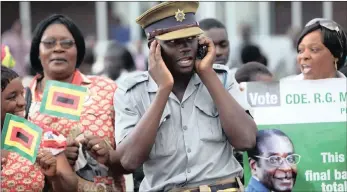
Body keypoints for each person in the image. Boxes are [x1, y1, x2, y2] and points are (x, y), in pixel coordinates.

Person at [89, 2, 256, 191]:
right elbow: (129, 161)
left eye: (190, 39)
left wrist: (207, 74)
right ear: (154, 47)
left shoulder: (221, 78)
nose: (185, 47)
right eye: (173, 42)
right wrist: (163, 89)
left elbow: (247, 140)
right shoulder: (132, 91)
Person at [27, 14, 125, 191]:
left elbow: (129, 156)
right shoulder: (20, 99)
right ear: (37, 51)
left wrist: (107, 154)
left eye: (66, 43)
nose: (58, 49)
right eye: (49, 43)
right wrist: (57, 158)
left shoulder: (107, 89)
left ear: (78, 49)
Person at [1, 65, 78, 192]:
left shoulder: (42, 135)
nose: (22, 102)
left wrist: (54, 176)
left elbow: (71, 187)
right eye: (12, 97)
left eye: (22, 94)